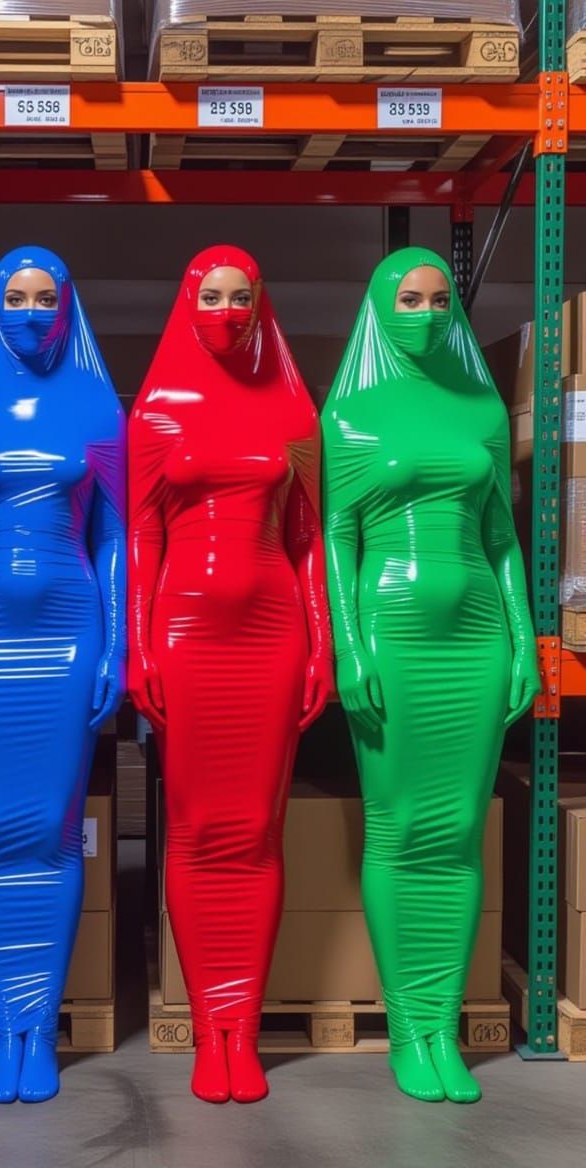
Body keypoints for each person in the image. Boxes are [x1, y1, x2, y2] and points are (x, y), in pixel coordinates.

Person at [322, 247, 541, 1104]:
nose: (424, 311)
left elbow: (502, 539)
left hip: (478, 638)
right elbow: (338, 541)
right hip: (393, 634)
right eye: (406, 299)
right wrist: (349, 645)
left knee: (457, 832)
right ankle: (410, 1029)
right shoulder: (348, 414)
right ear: (380, 307)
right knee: (402, 824)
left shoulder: (481, 405)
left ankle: (444, 1025)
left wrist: (522, 640)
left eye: (437, 298)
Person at [128, 245, 332, 1103]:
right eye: (211, 295)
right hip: (185, 633)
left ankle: (238, 1031)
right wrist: (138, 646)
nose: (226, 310)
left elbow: (309, 541)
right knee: (196, 824)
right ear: (188, 300)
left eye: (240, 296)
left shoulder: (293, 408)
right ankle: (205, 1028)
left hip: (273, 631)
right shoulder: (152, 415)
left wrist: (324, 644)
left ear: (261, 303)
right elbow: (139, 544)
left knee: (256, 829)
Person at [0, 247, 125, 1104]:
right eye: (17, 296)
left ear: (67, 307)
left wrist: (118, 645)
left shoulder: (96, 405)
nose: (34, 311)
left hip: (68, 632)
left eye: (48, 297)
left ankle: (37, 1035)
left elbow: (114, 541)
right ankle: (4, 1030)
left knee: (49, 823)